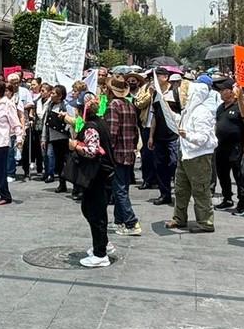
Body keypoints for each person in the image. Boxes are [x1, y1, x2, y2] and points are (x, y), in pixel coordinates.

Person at [66, 95, 116, 268]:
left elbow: (92, 151)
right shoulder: (100, 123)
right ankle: (104, 244)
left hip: (98, 176)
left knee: (96, 213)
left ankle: (100, 254)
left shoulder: (91, 128)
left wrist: (76, 146)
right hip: (102, 174)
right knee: (90, 209)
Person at [166, 75, 217, 233]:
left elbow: (202, 138)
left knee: (200, 191)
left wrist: (186, 135)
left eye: (188, 94)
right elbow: (181, 121)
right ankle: (179, 218)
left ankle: (205, 222)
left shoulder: (202, 113)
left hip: (198, 157)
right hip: (186, 154)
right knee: (181, 189)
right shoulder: (189, 110)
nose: (185, 96)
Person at [146, 67, 190, 207]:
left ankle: (179, 191)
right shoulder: (155, 95)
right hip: (159, 136)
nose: (154, 80)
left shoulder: (176, 93)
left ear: (164, 77)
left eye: (156, 77)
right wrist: (151, 137)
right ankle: (164, 194)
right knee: (160, 166)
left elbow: (183, 113)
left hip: (173, 136)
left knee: (173, 163)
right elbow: (154, 117)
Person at [105, 75, 141, 237]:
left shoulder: (113, 106)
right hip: (129, 152)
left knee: (119, 189)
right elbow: (135, 131)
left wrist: (106, 151)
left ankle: (131, 222)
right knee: (123, 188)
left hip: (117, 152)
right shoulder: (129, 104)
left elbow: (112, 132)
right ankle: (119, 221)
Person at [213, 79, 244, 215]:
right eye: (220, 90)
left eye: (224, 90)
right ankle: (227, 198)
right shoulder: (220, 107)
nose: (221, 93)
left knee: (239, 175)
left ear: (232, 91)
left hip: (236, 147)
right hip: (221, 147)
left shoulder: (240, 106)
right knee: (222, 174)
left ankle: (242, 202)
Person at [41, 84, 70, 188]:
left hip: (64, 138)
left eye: (53, 93)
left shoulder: (66, 106)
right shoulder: (50, 106)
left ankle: (74, 183)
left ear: (60, 96)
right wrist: (44, 138)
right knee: (57, 161)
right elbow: (46, 123)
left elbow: (71, 122)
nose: (51, 95)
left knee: (66, 160)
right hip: (52, 138)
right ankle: (62, 184)